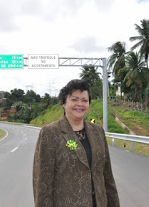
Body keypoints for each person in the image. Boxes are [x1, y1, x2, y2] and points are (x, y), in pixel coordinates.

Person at [33, 79, 120, 207]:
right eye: (74, 99)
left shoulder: (98, 132)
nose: (80, 104)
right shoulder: (50, 133)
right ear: (63, 103)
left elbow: (107, 177)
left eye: (84, 100)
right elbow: (42, 183)